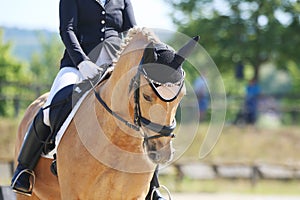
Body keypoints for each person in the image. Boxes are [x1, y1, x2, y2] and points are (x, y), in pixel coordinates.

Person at [11, 1, 166, 199]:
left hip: (113, 68)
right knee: (51, 109)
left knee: (142, 113)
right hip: (77, 66)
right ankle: (24, 171)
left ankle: (153, 186)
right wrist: (82, 62)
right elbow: (67, 30)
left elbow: (132, 32)